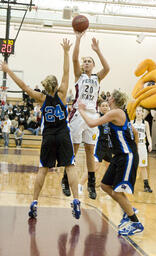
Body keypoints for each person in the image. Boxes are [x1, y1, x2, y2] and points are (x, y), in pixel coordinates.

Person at [0, 38, 81, 220]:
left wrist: (8, 70)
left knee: (43, 169)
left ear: (45, 85)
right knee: (70, 166)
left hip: (48, 136)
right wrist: (66, 52)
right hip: (63, 134)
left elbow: (23, 86)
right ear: (55, 84)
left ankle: (34, 202)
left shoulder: (41, 98)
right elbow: (66, 71)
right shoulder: (61, 94)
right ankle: (76, 200)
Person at [78, 89, 144, 236]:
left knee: (117, 191)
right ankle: (128, 210)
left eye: (110, 96)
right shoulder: (121, 113)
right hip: (119, 156)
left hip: (127, 156)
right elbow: (134, 132)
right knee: (105, 185)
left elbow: (91, 123)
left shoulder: (117, 113)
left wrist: (81, 110)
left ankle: (135, 222)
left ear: (113, 99)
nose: (108, 98)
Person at [61, 31, 110, 200]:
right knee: (73, 149)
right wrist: (78, 39)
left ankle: (91, 184)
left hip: (93, 116)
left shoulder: (97, 77)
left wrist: (97, 50)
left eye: (90, 61)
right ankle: (65, 180)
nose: (87, 63)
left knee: (90, 150)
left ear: (93, 65)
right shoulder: (79, 75)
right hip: (77, 114)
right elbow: (74, 59)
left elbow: (108, 68)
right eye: (85, 61)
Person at [131, 106, 153, 193]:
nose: (139, 112)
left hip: (142, 146)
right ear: (135, 112)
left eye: (140, 111)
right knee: (132, 166)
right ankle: (130, 184)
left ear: (143, 113)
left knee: (143, 166)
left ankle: (146, 185)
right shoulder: (131, 122)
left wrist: (150, 144)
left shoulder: (146, 123)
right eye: (137, 111)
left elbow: (148, 135)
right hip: (134, 147)